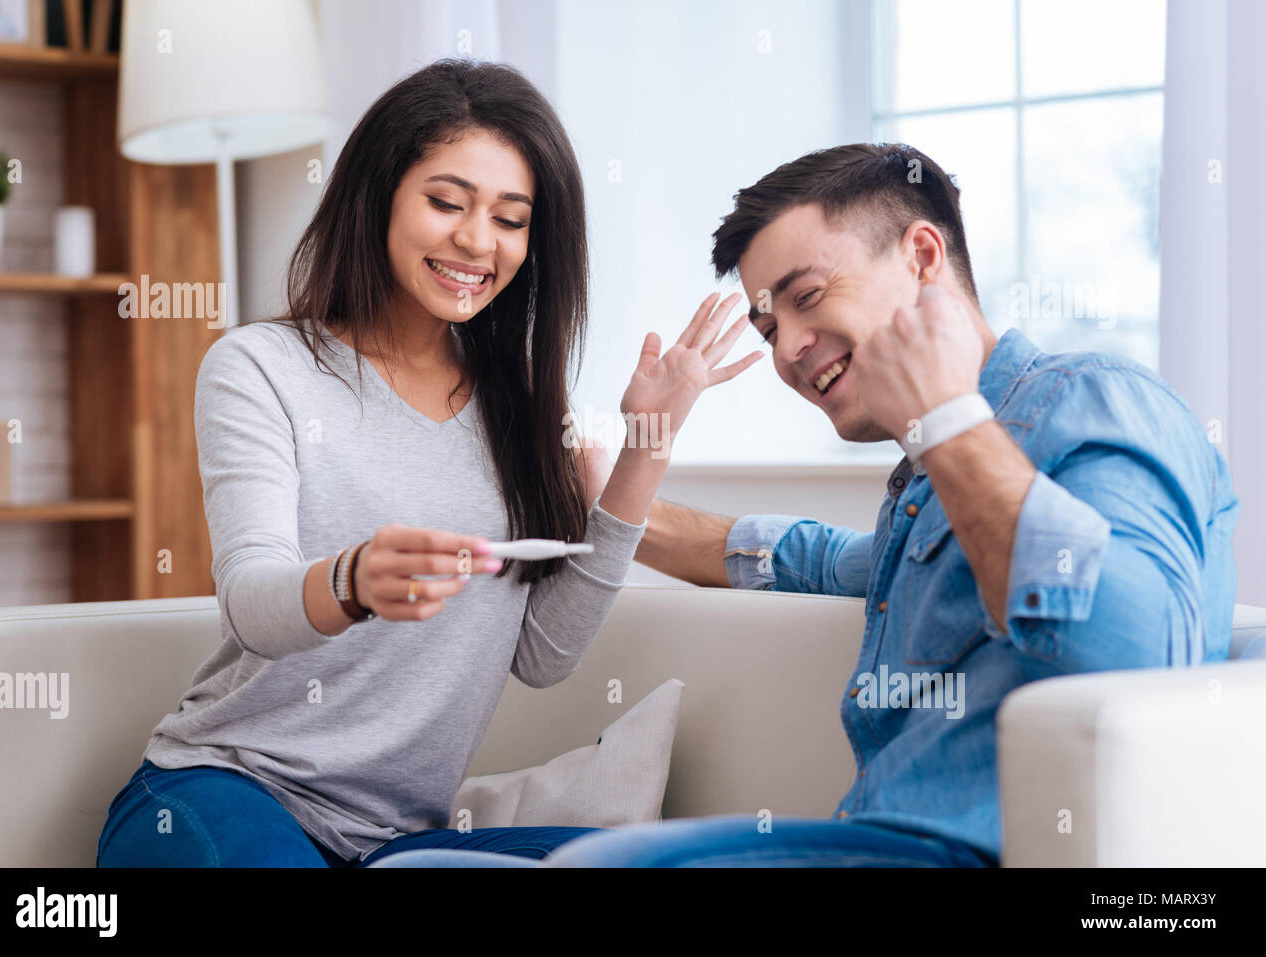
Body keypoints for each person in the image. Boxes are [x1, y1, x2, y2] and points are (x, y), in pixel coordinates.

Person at [382, 142, 1239, 867]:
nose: (788, 350)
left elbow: (1141, 652)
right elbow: (803, 556)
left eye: (807, 297)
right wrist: (609, 488)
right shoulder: (926, 488)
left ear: (923, 258)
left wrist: (946, 421)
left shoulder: (1091, 399)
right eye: (765, 327)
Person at [95, 59, 760, 868]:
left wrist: (646, 446)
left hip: (395, 841)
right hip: (228, 788)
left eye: (511, 219)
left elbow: (542, 656)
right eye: (446, 202)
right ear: (379, 196)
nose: (478, 241)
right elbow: (250, 601)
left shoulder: (522, 411)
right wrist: (354, 578)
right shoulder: (260, 366)